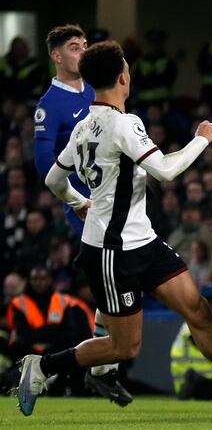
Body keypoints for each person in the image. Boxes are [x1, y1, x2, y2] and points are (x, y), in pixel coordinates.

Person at [19, 40, 212, 419]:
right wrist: (202, 138)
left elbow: (53, 179)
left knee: (198, 311)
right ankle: (42, 367)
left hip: (143, 241)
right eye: (127, 70)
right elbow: (166, 171)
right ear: (122, 78)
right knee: (123, 348)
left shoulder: (84, 127)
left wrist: (80, 203)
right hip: (111, 251)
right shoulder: (122, 124)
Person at [32, 24, 131, 406]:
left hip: (119, 199)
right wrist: (77, 201)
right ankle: (101, 365)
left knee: (123, 274)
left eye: (85, 45)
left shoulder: (97, 89)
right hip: (89, 206)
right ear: (57, 56)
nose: (82, 51)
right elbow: (45, 164)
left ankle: (102, 365)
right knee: (120, 270)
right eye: (74, 47)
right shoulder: (50, 105)